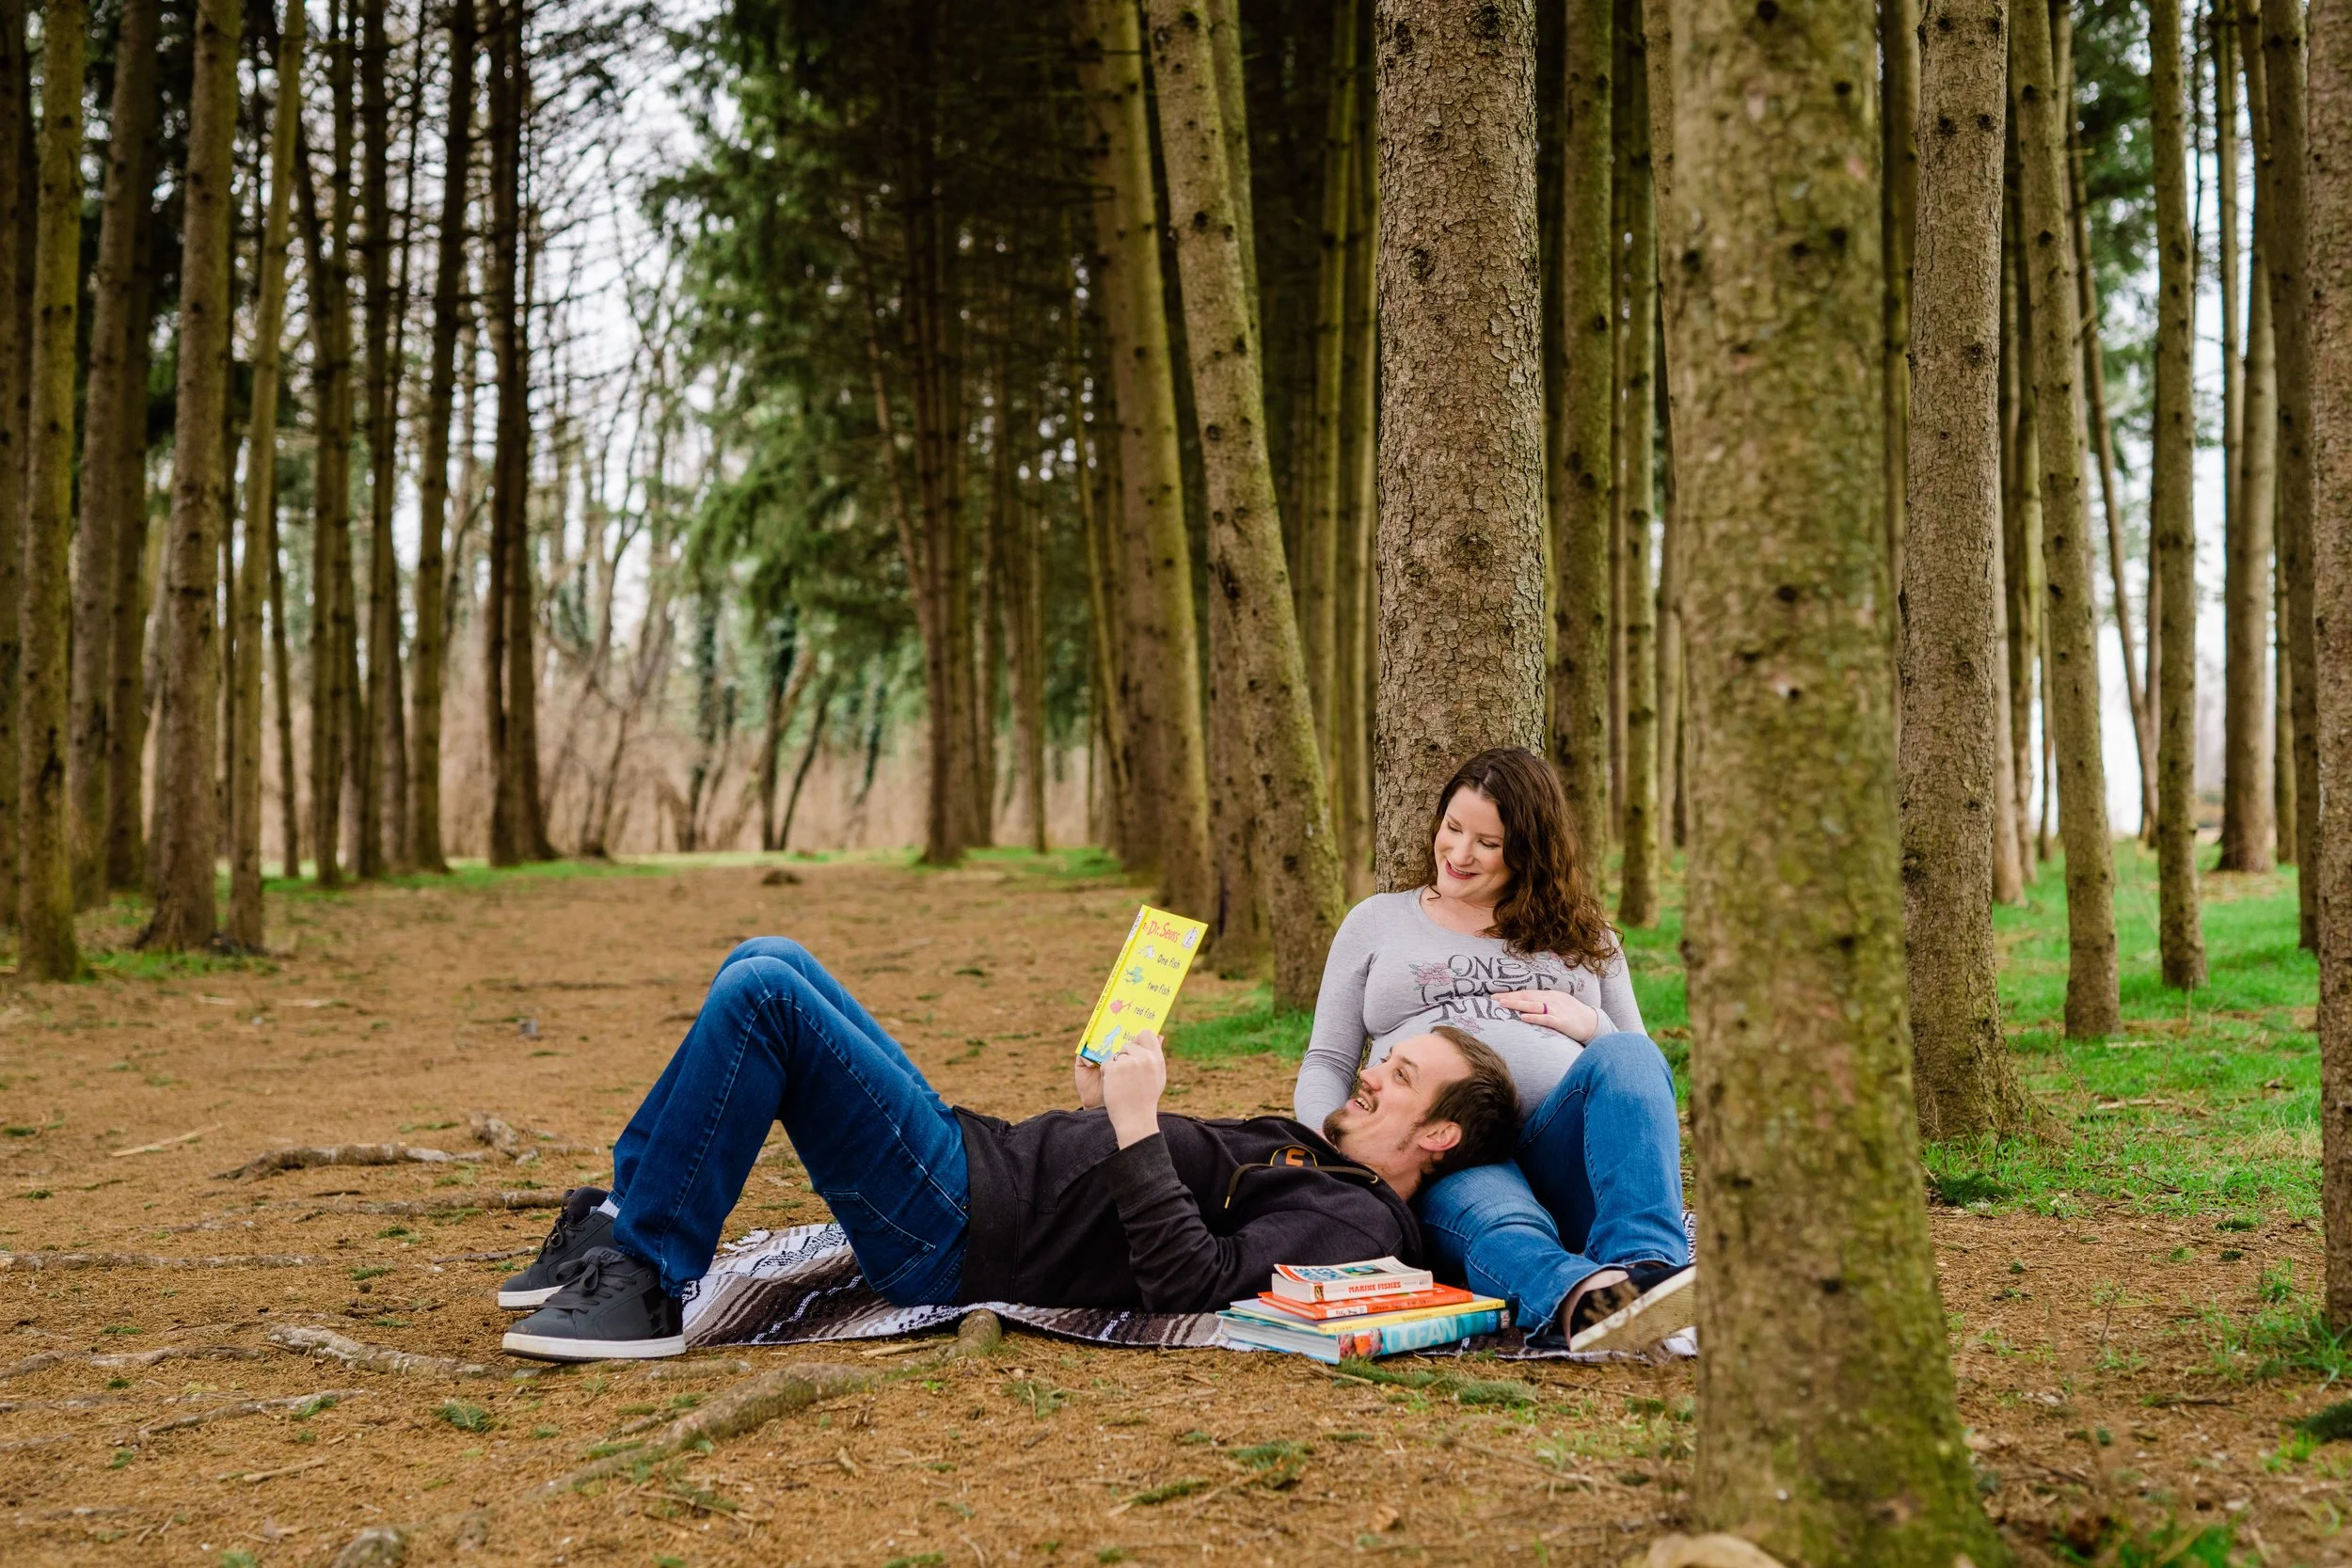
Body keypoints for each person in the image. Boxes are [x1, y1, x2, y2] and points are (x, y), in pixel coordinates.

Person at [499, 937, 1520, 1360]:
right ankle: (622, 1223)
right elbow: (1135, 1194)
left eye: (1401, 1075)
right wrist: (1095, 1108)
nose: (1372, 1070)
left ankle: (646, 1273)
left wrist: (1130, 1121)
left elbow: (1189, 1279)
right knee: (769, 958)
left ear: (1436, 1132)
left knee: (763, 1000)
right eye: (1385, 1056)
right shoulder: (1316, 1153)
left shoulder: (1358, 1221)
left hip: (953, 1227)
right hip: (975, 1160)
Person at [1294, 747, 1695, 1353]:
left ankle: (1651, 1278)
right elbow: (1327, 1059)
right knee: (1501, 1218)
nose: (1458, 854)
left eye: (1487, 842)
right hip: (1450, 1154)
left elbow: (1641, 1082)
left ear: (1527, 849)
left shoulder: (1588, 937)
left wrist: (1591, 1025)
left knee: (1629, 1056)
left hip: (1568, 1152)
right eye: (1452, 829)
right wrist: (1330, 1152)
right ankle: (1592, 1304)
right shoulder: (1377, 922)